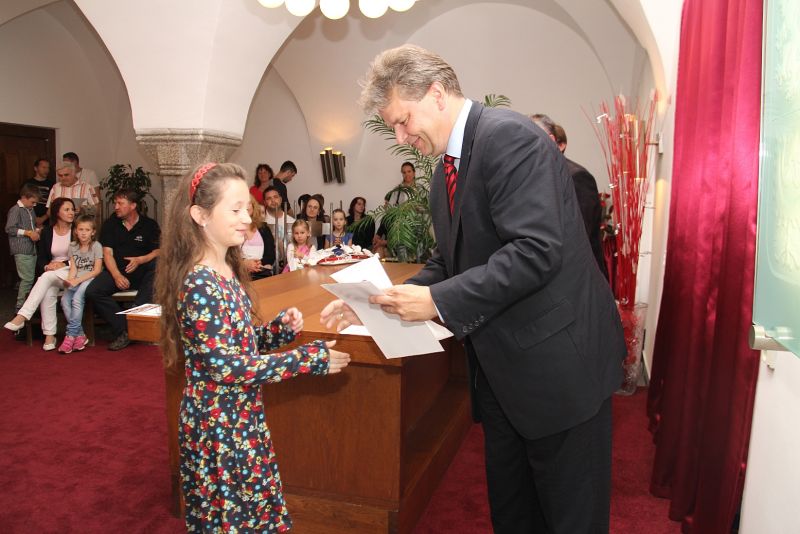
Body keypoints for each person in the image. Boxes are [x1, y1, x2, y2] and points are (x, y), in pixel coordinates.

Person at [322, 45, 626, 533]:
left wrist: (437, 301)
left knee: (570, 518)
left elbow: (535, 250)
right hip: (504, 376)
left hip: (559, 370)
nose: (400, 137)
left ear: (436, 94)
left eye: (402, 121)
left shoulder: (509, 138)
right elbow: (450, 261)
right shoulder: (445, 171)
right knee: (514, 514)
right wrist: (377, 305)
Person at [152, 161, 350, 532]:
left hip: (240, 415)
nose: (247, 218)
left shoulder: (226, 270)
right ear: (200, 215)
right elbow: (227, 367)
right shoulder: (199, 282)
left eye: (248, 208)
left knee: (251, 516)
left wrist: (275, 332)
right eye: (236, 210)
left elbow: (237, 343)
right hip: (218, 425)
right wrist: (306, 358)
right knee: (233, 519)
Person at [530, 114, 608, 280]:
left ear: (552, 140)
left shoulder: (577, 177)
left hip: (579, 277)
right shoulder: (535, 175)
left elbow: (579, 234)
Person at [86, 189, 160, 351]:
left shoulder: (149, 225)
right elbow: (107, 253)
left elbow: (158, 251)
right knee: (93, 291)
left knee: (158, 266)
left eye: (120, 203)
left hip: (141, 272)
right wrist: (116, 275)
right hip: (117, 270)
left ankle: (135, 313)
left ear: (133, 205)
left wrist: (140, 260)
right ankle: (126, 329)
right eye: (115, 203)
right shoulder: (110, 224)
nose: (116, 207)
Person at [4, 197, 75, 351]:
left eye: (72, 209)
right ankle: (50, 335)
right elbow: (41, 257)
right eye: (67, 209)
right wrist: (47, 266)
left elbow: (83, 255)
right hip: (52, 272)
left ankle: (22, 316)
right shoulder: (48, 231)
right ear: (57, 212)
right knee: (48, 289)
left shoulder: (77, 230)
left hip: (72, 270)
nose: (71, 212)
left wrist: (63, 264)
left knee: (45, 278)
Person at [58, 213, 103, 354]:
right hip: (77, 278)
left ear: (93, 232)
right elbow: (73, 267)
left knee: (77, 299)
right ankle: (81, 335)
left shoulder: (96, 246)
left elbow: (97, 270)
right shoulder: (72, 246)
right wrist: (70, 280)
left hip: (90, 278)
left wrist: (77, 280)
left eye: (87, 230)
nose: (83, 233)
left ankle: (70, 335)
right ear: (76, 231)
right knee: (64, 300)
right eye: (81, 229)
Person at [6, 184, 41, 312]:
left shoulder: (30, 209)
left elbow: (32, 226)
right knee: (27, 279)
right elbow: (9, 229)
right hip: (21, 249)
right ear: (24, 198)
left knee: (30, 278)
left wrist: (37, 231)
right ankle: (20, 307)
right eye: (32, 202)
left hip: (31, 248)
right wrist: (28, 233)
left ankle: (27, 305)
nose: (34, 205)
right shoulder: (15, 210)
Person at [242, 194, 276, 280]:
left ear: (254, 206)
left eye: (249, 203)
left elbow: (271, 255)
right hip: (239, 273)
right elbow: (229, 256)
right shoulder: (232, 228)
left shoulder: (263, 228)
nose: (246, 206)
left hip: (260, 272)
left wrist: (256, 264)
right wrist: (245, 263)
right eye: (242, 203)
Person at [23, 158, 54, 226]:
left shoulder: (52, 184)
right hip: (28, 218)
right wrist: (33, 218)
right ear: (36, 168)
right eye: (44, 167)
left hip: (46, 220)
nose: (47, 170)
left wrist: (43, 218)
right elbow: (23, 201)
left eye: (48, 168)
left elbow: (53, 203)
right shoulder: (28, 183)